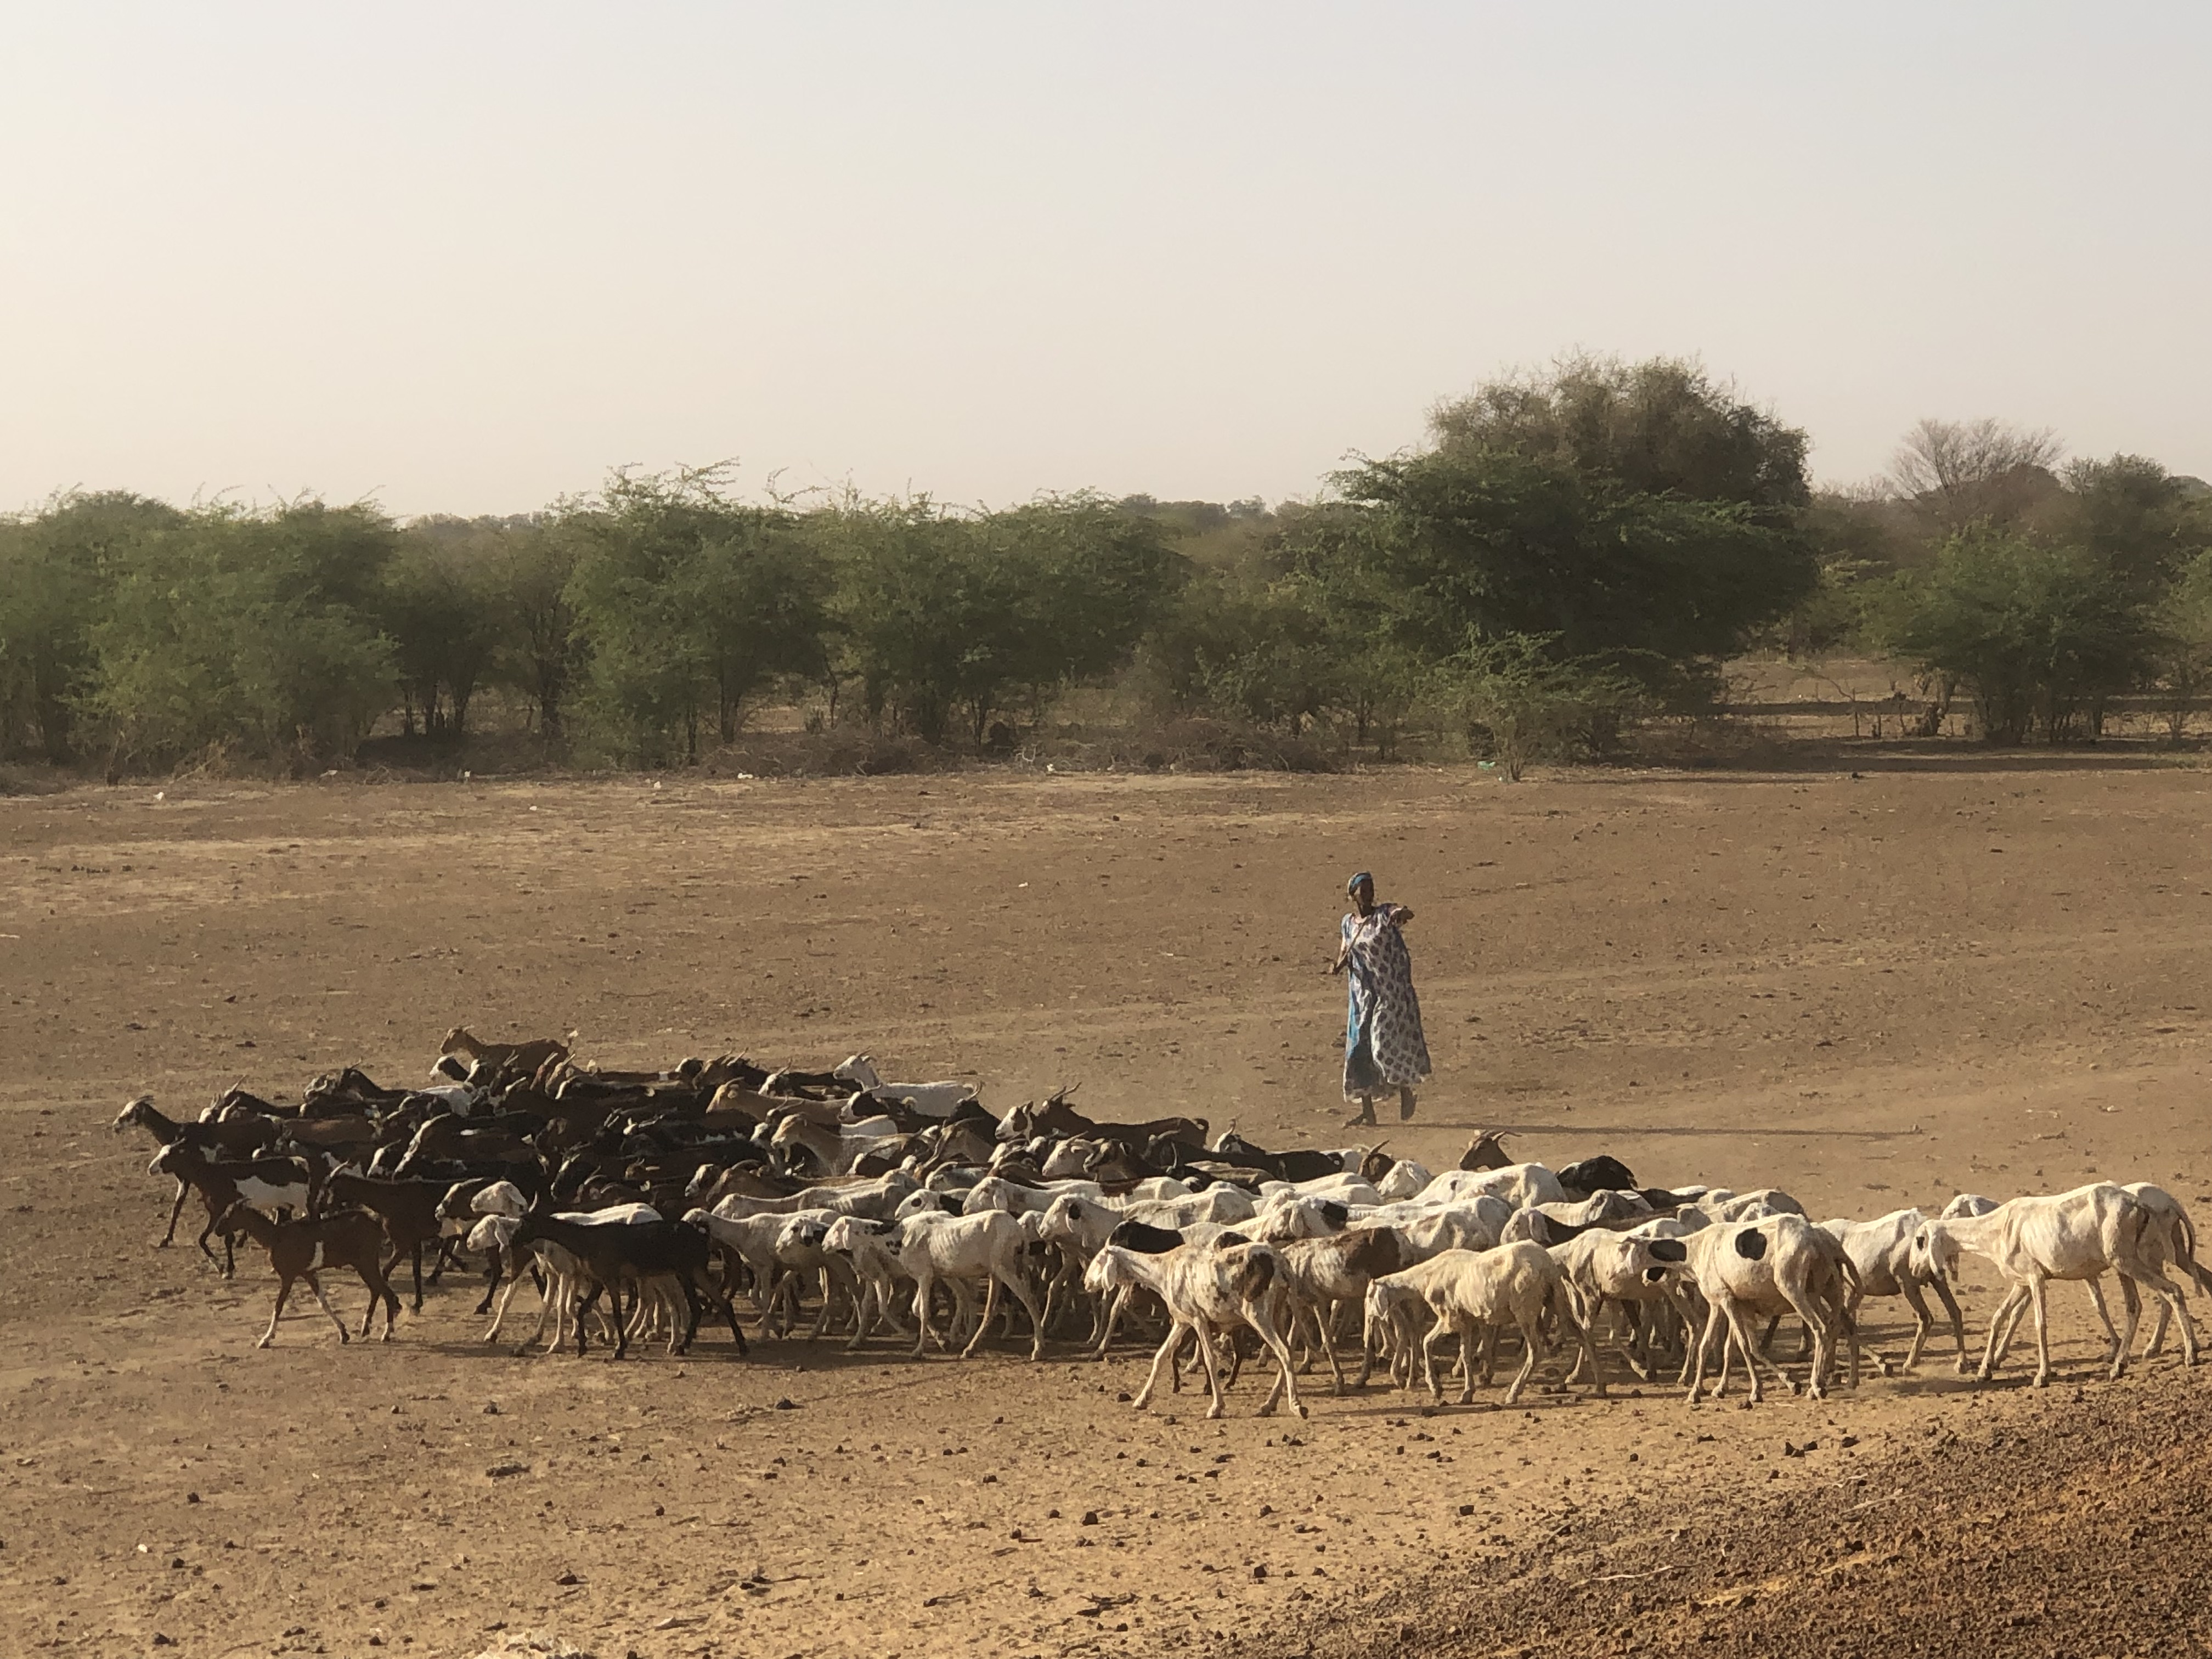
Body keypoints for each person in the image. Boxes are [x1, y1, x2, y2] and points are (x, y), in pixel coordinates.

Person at [1329, 870, 1432, 1126]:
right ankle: (1368, 1111)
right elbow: (1345, 950)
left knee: (1381, 1043)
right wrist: (1336, 966)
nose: (1368, 893)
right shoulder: (1348, 923)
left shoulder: (1383, 915)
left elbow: (1400, 914)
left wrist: (1402, 914)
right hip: (1362, 995)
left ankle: (1405, 1090)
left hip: (1390, 991)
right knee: (1359, 1050)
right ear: (1352, 895)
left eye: (1371, 888)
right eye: (1363, 890)